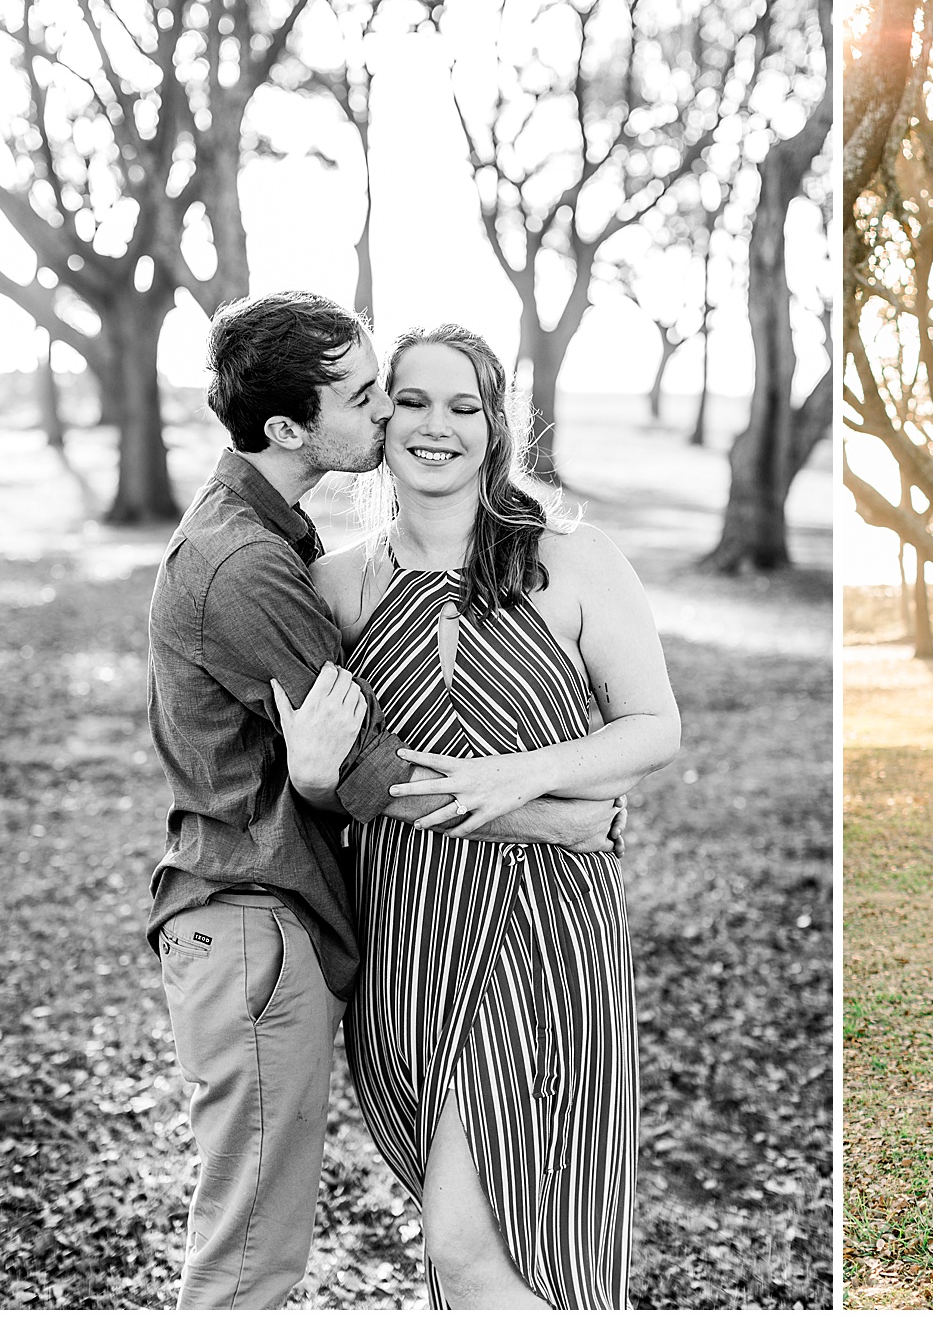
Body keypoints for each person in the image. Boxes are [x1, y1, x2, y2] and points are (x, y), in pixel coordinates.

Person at [146, 291, 619, 1309]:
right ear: (289, 428)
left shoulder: (277, 541)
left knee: (275, 1252)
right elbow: (362, 764)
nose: (394, 422)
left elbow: (340, 763)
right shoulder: (250, 566)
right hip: (252, 923)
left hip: (299, 925)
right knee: (246, 1266)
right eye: (370, 398)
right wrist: (562, 817)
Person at [280, 323, 680, 1308]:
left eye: (465, 407)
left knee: (474, 1239)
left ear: (498, 427)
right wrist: (309, 768)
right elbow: (338, 779)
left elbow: (653, 726)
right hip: (408, 929)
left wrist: (521, 776)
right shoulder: (336, 586)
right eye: (411, 400)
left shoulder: (576, 564)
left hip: (546, 932)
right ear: (379, 418)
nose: (435, 426)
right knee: (469, 1244)